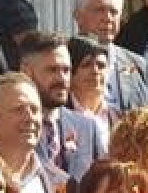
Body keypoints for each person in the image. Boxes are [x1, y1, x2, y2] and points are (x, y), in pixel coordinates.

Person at [21, 29, 103, 182]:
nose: (62, 79)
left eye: (66, 70)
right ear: (27, 72)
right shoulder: (14, 127)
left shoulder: (87, 128)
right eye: (52, 70)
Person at [72, 0, 148, 110]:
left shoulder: (139, 65)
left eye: (113, 12)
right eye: (99, 10)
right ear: (78, 16)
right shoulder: (63, 60)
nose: (107, 18)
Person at [65, 34, 122, 146]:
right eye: (86, 65)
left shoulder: (118, 117)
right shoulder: (59, 117)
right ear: (71, 72)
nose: (95, 71)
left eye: (101, 65)